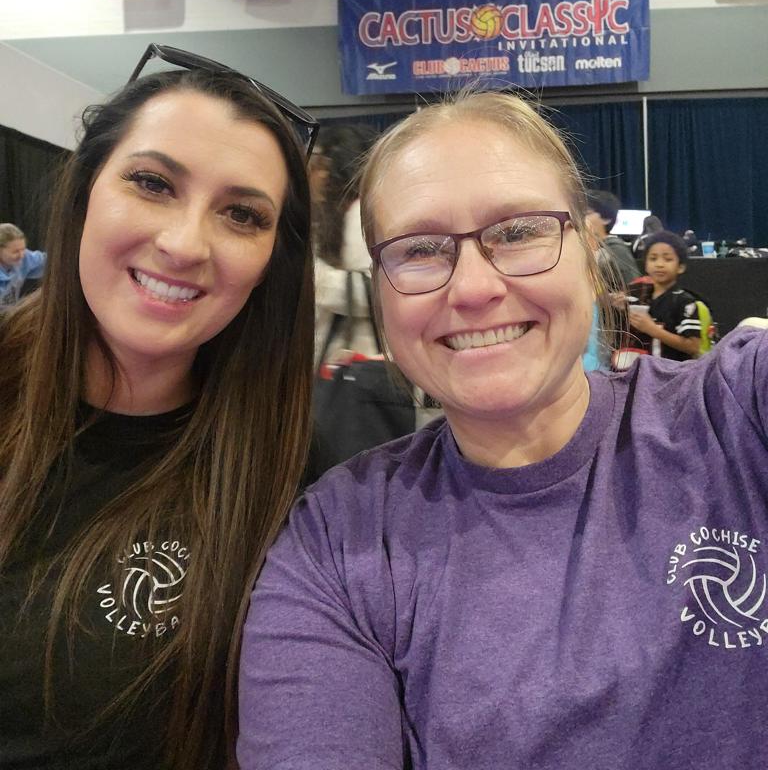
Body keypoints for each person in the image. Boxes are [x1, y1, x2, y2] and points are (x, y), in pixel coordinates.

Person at [238, 88, 768, 770]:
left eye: (517, 233)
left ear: (588, 252)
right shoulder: (340, 541)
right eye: (419, 249)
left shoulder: (735, 413)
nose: (472, 289)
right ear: (381, 290)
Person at [0, 54, 316, 769]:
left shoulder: (294, 477)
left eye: (242, 214)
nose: (183, 244)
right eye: (152, 183)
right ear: (84, 192)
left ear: (273, 260)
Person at [311, 123, 379, 366]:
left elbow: (377, 292)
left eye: (322, 165)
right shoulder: (331, 215)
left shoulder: (360, 214)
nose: (316, 174)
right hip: (339, 358)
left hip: (361, 359)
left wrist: (314, 280)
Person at [628, 230, 701, 360]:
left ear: (681, 267)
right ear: (646, 265)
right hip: (645, 370)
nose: (659, 264)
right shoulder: (641, 297)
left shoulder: (684, 301)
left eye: (668, 259)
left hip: (674, 370)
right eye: (653, 258)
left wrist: (651, 329)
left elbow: (694, 346)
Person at [584, 190, 639, 288]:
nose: (582, 218)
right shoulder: (587, 248)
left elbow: (632, 287)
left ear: (606, 218)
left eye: (587, 213)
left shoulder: (616, 250)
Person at [0, 222, 46, 305]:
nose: (21, 255)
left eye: (23, 249)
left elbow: (47, 262)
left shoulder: (24, 258)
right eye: (15, 252)